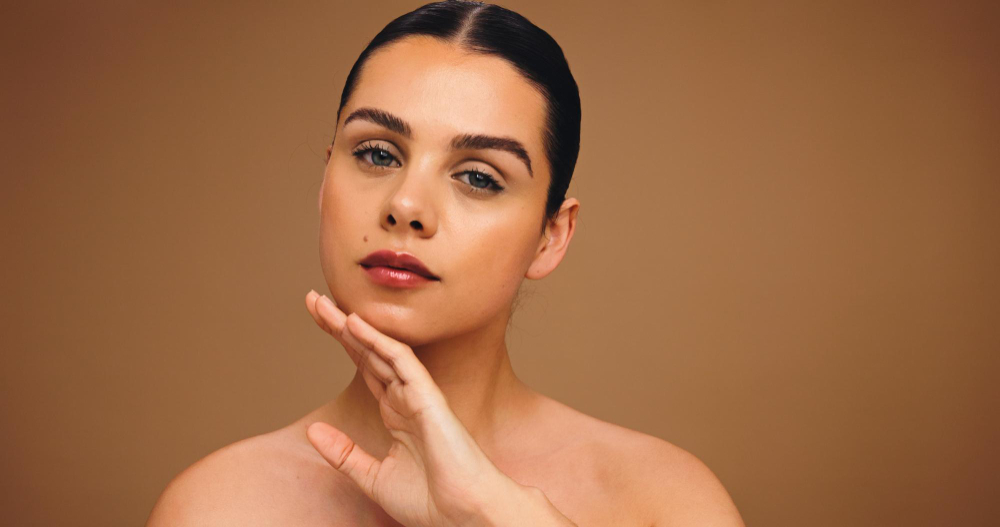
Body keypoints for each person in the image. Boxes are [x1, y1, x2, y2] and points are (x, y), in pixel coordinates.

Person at [146, 1, 744, 525]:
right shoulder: (216, 507)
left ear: (551, 236)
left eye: (478, 177)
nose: (406, 205)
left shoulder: (663, 502)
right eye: (377, 154)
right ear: (325, 182)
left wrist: (494, 516)